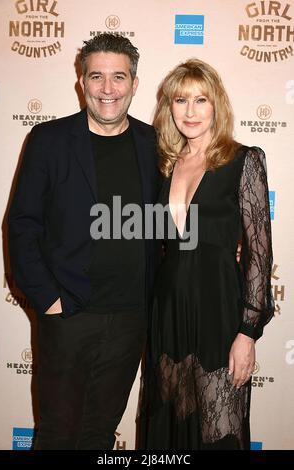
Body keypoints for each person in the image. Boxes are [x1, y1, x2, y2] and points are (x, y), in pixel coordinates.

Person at [8, 33, 161, 450]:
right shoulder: (49, 140)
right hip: (68, 315)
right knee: (58, 434)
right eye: (97, 76)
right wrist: (50, 302)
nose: (107, 89)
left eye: (118, 77)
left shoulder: (155, 144)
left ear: (134, 82)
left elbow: (172, 221)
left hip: (131, 320)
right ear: (81, 81)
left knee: (98, 434)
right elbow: (21, 226)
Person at [138, 58, 274, 450]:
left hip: (218, 311)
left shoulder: (243, 160)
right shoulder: (164, 165)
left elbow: (258, 254)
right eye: (181, 101)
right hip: (167, 311)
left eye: (201, 100)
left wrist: (247, 333)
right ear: (170, 107)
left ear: (217, 104)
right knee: (168, 432)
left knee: (220, 432)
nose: (191, 111)